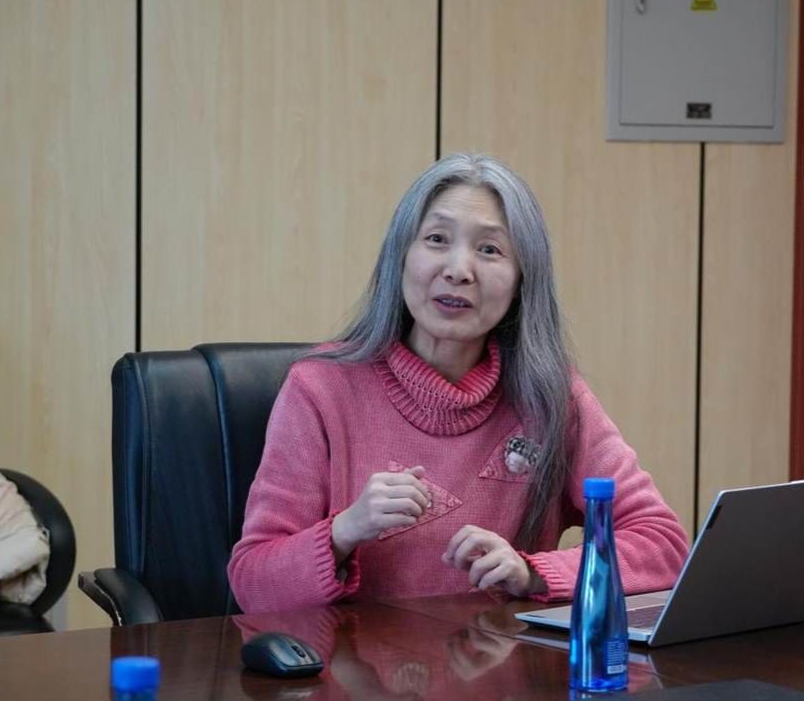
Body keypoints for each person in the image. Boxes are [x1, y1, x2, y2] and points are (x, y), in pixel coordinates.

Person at [228, 153, 689, 612]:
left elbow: (663, 545)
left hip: (502, 658)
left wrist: (533, 572)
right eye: (436, 239)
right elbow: (252, 582)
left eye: (489, 250)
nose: (458, 270)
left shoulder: (551, 397)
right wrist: (344, 530)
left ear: (521, 281)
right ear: (399, 258)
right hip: (353, 660)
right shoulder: (320, 388)